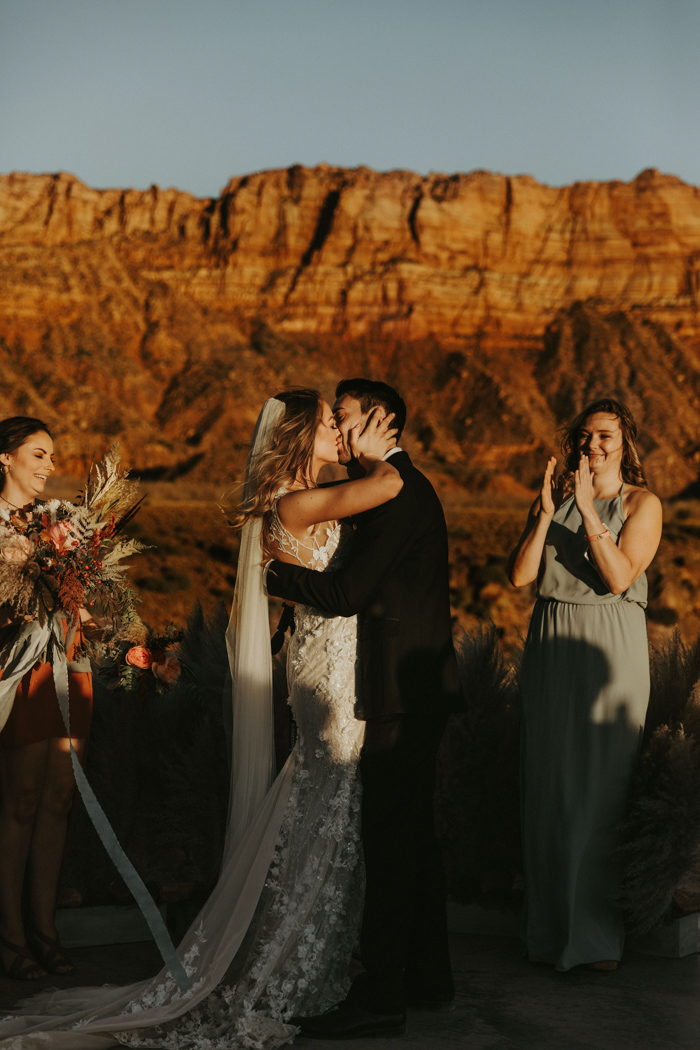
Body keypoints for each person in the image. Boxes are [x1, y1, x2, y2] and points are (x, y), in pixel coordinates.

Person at [0, 389, 401, 1048]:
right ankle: (290, 966)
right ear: (299, 435)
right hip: (322, 673)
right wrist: (383, 449)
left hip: (325, 667)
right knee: (322, 803)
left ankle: (308, 953)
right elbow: (387, 485)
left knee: (320, 810)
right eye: (331, 421)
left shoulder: (297, 500)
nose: (342, 428)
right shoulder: (299, 503)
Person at [266, 378, 464, 1040]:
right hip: (402, 689)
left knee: (391, 842)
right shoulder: (385, 488)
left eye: (346, 418)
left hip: (398, 695)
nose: (340, 430)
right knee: (411, 839)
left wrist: (273, 577)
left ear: (382, 423)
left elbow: (348, 589)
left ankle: (382, 994)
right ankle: (428, 978)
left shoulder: (398, 491)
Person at [508, 398, 662, 972]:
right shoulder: (551, 499)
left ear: (626, 444)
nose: (592, 446)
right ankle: (548, 935)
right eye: (585, 437)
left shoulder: (643, 504)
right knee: (548, 787)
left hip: (609, 645)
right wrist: (547, 513)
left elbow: (620, 576)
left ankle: (595, 941)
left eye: (604, 437)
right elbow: (521, 575)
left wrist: (587, 509)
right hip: (551, 641)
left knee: (600, 791)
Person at [0, 417, 93, 982]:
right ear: (3, 459)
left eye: (52, 457)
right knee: (21, 801)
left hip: (71, 667)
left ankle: (45, 928)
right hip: (23, 670)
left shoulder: (60, 522)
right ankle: (9, 937)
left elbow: (86, 588)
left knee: (60, 800)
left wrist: (88, 602)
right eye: (37, 455)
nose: (49, 467)